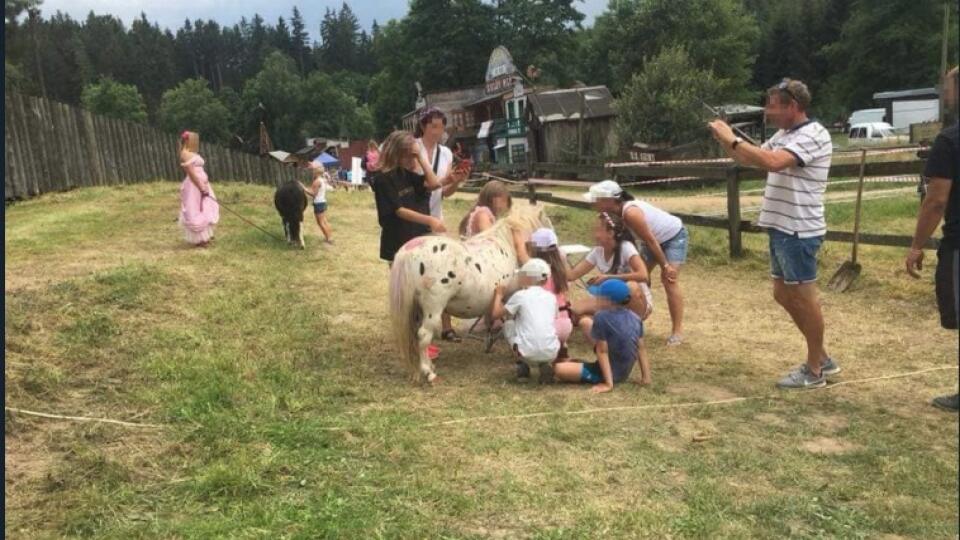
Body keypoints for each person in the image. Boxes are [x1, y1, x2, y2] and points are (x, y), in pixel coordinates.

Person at [708, 77, 839, 390]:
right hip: (781, 226)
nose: (767, 112)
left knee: (805, 299)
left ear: (792, 106)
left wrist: (734, 139)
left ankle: (815, 370)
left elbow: (774, 162)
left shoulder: (813, 134)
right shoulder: (784, 134)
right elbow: (751, 159)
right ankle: (821, 357)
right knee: (782, 294)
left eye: (772, 105)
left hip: (799, 228)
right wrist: (725, 139)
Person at [905, 66, 958, 412]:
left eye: (948, 86)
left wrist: (916, 245)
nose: (944, 93)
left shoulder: (950, 140)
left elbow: (936, 199)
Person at [583, 180, 686, 345]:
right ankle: (632, 318)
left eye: (597, 200)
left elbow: (651, 241)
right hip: (651, 241)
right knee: (638, 278)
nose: (593, 204)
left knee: (669, 280)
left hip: (673, 237)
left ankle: (677, 332)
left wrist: (665, 266)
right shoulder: (611, 215)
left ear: (609, 200)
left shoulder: (630, 213)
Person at [416, 107, 471, 343]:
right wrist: (445, 180)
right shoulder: (413, 148)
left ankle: (446, 325)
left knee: (441, 271)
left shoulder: (446, 154)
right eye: (434, 126)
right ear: (424, 126)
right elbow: (419, 186)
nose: (438, 131)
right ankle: (418, 322)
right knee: (418, 272)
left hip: (436, 217)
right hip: (415, 215)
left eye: (441, 127)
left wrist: (456, 181)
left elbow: (445, 192)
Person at [566, 211, 654, 337]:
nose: (594, 234)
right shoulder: (597, 252)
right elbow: (571, 275)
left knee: (631, 287)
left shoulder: (626, 247)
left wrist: (608, 277)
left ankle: (632, 329)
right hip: (612, 301)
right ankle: (608, 334)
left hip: (638, 301)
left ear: (610, 233)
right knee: (576, 310)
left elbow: (643, 275)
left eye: (598, 230)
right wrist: (559, 257)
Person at [554, 279, 651, 392]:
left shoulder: (602, 317)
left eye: (599, 297)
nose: (596, 299)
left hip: (609, 373)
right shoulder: (635, 317)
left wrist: (607, 384)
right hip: (624, 371)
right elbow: (640, 348)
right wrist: (646, 377)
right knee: (585, 322)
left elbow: (602, 351)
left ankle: (597, 373)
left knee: (559, 369)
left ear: (608, 301)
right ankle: (580, 364)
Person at [371, 130, 445, 265]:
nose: (412, 160)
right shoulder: (382, 179)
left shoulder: (405, 173)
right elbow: (399, 210)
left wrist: (421, 157)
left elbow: (434, 184)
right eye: (408, 156)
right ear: (396, 154)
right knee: (403, 284)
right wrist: (430, 220)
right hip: (398, 240)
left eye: (413, 156)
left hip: (415, 237)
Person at [490, 258, 561, 383]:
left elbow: (495, 314)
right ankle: (544, 364)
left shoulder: (520, 295)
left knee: (509, 324)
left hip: (527, 352)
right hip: (552, 351)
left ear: (528, 278)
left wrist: (499, 295)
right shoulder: (551, 297)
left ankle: (523, 366)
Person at [528, 228, 574, 362]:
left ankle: (529, 361)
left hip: (546, 327)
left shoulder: (535, 274)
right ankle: (561, 345)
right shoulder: (561, 273)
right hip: (565, 325)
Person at [177, 130, 219, 247]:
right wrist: (200, 186)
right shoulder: (184, 153)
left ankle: (205, 235)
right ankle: (199, 239)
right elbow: (191, 173)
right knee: (195, 208)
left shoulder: (192, 152)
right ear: (187, 141)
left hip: (203, 183)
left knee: (207, 207)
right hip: (194, 185)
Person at [304, 162, 334, 245]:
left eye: (312, 170)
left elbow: (313, 194)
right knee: (324, 221)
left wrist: (304, 188)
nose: (311, 172)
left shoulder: (316, 182)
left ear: (315, 171)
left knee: (321, 223)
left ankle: (329, 239)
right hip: (323, 202)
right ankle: (329, 237)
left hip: (318, 203)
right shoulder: (322, 180)